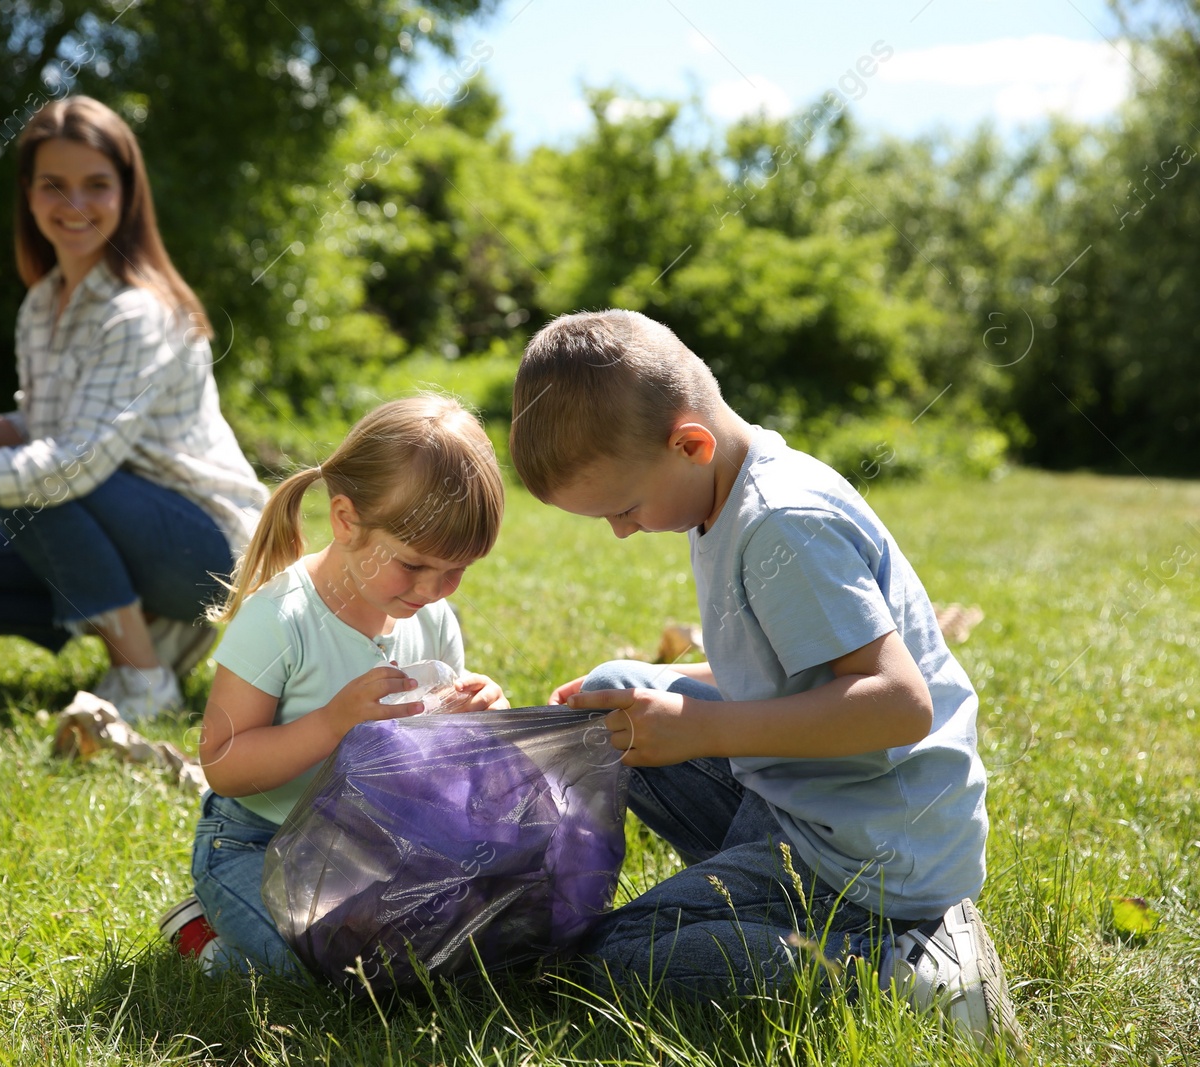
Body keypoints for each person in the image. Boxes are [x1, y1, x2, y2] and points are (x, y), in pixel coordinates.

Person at [508, 310, 1025, 1052]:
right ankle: (757, 902)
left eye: (622, 509)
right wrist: (663, 687)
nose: (621, 531)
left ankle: (901, 967)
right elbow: (786, 663)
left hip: (868, 851)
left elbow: (901, 705)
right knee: (613, 696)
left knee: (611, 958)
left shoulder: (783, 521)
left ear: (689, 443)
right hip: (816, 796)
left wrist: (703, 727)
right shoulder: (721, 491)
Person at [0, 96, 267, 720]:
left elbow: (71, 462)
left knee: (32, 480)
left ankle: (145, 677)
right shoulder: (41, 305)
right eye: (53, 186)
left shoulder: (139, 312)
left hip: (204, 549)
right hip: (107, 515)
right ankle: (141, 624)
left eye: (96, 185)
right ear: (28, 195)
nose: (74, 205)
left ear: (128, 192)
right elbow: (49, 426)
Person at [157, 396, 511, 974]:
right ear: (346, 521)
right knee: (331, 973)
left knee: (446, 946)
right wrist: (332, 721)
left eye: (457, 569)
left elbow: (435, 754)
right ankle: (206, 937)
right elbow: (222, 762)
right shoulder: (280, 620)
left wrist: (475, 715)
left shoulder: (430, 615)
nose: (434, 588)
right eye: (415, 564)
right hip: (256, 842)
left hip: (367, 846)